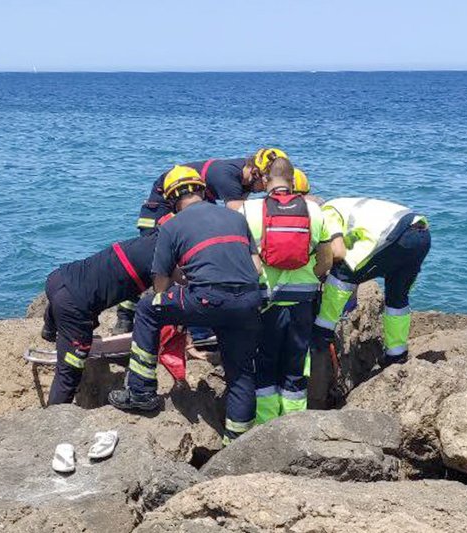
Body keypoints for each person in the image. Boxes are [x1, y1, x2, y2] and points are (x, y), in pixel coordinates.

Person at [109, 165, 262, 444]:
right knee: (240, 372)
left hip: (207, 299)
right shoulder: (235, 217)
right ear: (203, 191)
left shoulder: (171, 226)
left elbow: (161, 282)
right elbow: (256, 267)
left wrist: (175, 307)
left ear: (171, 201)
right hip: (247, 301)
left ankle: (140, 391)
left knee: (146, 308)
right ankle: (239, 442)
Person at [115, 148, 288, 334]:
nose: (268, 188)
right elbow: (237, 214)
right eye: (266, 183)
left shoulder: (243, 181)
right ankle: (126, 314)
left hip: (188, 203)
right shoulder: (228, 178)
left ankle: (193, 321)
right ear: (254, 173)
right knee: (155, 260)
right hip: (164, 205)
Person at [236, 158, 332, 424]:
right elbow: (326, 260)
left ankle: (266, 424)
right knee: (296, 364)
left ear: (265, 181)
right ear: (293, 181)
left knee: (264, 364)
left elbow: (240, 258)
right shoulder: (314, 211)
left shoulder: (248, 210)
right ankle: (294, 424)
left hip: (265, 303)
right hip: (302, 302)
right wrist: (312, 276)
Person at [311, 198, 431, 402]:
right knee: (397, 298)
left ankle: (323, 331)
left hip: (395, 235)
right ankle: (396, 355)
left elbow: (339, 252)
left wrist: (318, 272)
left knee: (343, 274)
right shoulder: (348, 205)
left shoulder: (327, 212)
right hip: (421, 235)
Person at [41, 231, 159, 405]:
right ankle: (54, 420)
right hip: (74, 305)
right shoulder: (163, 259)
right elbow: (165, 291)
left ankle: (50, 329)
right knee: (69, 373)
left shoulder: (149, 240)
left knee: (72, 305)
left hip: (58, 277)